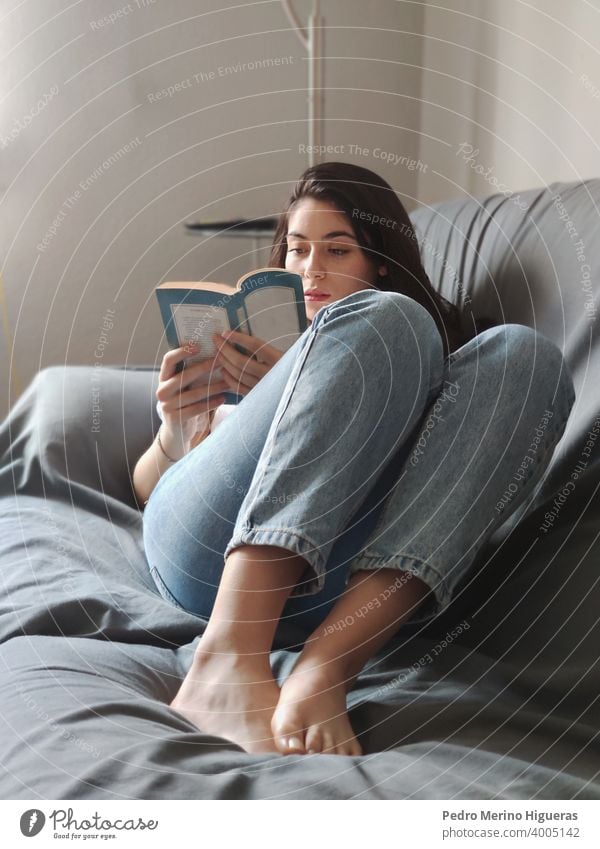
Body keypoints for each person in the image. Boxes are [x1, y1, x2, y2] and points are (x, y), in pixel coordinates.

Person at [134, 161, 576, 758]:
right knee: (388, 318)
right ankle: (226, 659)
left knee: (525, 355)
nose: (311, 268)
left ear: (380, 261)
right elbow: (147, 490)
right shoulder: (249, 358)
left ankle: (324, 671)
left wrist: (328, 390)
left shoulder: (425, 352)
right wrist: (176, 429)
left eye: (337, 250)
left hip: (344, 591)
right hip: (208, 556)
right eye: (296, 250)